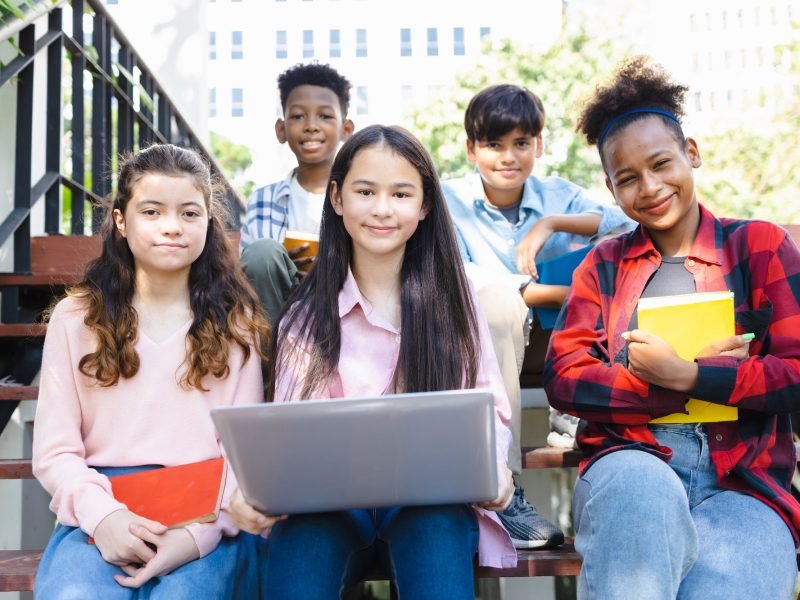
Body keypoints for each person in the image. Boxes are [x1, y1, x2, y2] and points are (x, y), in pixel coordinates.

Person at [545, 56, 800, 599]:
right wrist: (655, 384)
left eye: (662, 163)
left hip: (743, 484)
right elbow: (565, 376)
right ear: (612, 192)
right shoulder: (602, 266)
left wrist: (691, 376)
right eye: (628, 179)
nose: (651, 186)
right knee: (639, 493)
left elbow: (797, 375)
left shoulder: (758, 246)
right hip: (629, 463)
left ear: (692, 153)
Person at [229, 125, 519, 598]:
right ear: (338, 198)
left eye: (401, 193)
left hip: (431, 502)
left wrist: (495, 468)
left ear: (424, 205)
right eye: (366, 191)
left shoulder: (455, 300)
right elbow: (290, 435)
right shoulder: (305, 316)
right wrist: (264, 489)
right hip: (329, 509)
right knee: (300, 547)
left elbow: (490, 406)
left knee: (436, 533)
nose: (382, 209)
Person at [32, 144, 271, 598]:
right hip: (102, 504)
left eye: (189, 214)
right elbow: (55, 452)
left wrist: (195, 537)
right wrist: (104, 518)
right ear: (121, 221)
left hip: (205, 514)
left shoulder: (235, 323)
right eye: (152, 211)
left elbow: (244, 458)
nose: (171, 227)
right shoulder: (75, 318)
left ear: (208, 223)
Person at [441, 83, 634, 548]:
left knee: (619, 271)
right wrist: (546, 291)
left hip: (555, 340)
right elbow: (458, 276)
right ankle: (504, 487)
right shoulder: (449, 201)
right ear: (472, 149)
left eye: (521, 144)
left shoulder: (556, 195)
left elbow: (627, 221)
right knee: (496, 299)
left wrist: (553, 223)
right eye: (493, 145)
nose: (508, 157)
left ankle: (596, 423)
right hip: (486, 336)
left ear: (539, 145)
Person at [240, 61, 355, 325]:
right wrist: (280, 266)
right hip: (278, 317)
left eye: (324, 116)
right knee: (263, 253)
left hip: (343, 315)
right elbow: (250, 275)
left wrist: (329, 268)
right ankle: (273, 364)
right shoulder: (262, 200)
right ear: (281, 130)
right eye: (298, 116)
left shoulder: (360, 196)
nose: (311, 126)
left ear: (346, 129)